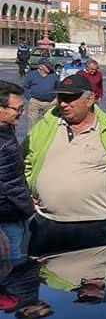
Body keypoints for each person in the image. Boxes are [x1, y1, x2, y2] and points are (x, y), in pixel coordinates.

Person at [23, 73, 106, 255]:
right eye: (60, 98)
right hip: (48, 224)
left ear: (89, 100)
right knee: (43, 281)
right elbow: (24, 158)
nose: (63, 103)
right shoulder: (47, 125)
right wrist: (26, 192)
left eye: (70, 98)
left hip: (93, 227)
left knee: (90, 281)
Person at [0, 81, 33, 262]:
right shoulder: (2, 140)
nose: (22, 114)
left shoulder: (6, 129)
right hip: (6, 221)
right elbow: (9, 184)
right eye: (18, 109)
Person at [23, 60, 58, 130]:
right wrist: (29, 98)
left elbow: (58, 87)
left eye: (50, 66)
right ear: (40, 66)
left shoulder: (54, 76)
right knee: (32, 123)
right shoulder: (31, 75)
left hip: (50, 103)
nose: (49, 68)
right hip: (35, 102)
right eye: (47, 66)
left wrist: (56, 99)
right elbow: (24, 87)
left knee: (49, 122)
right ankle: (32, 139)